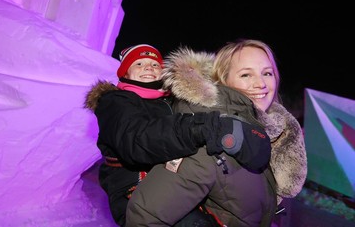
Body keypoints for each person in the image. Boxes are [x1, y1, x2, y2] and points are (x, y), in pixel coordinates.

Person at [84, 44, 271, 227]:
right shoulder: (115, 102)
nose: (148, 67)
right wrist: (204, 127)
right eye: (139, 64)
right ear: (125, 73)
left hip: (175, 187)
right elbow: (138, 139)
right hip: (137, 193)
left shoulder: (168, 101)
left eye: (155, 64)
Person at [126, 39, 307, 227]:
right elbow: (143, 217)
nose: (260, 83)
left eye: (267, 73)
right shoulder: (212, 138)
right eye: (246, 75)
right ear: (223, 80)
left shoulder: (272, 134)